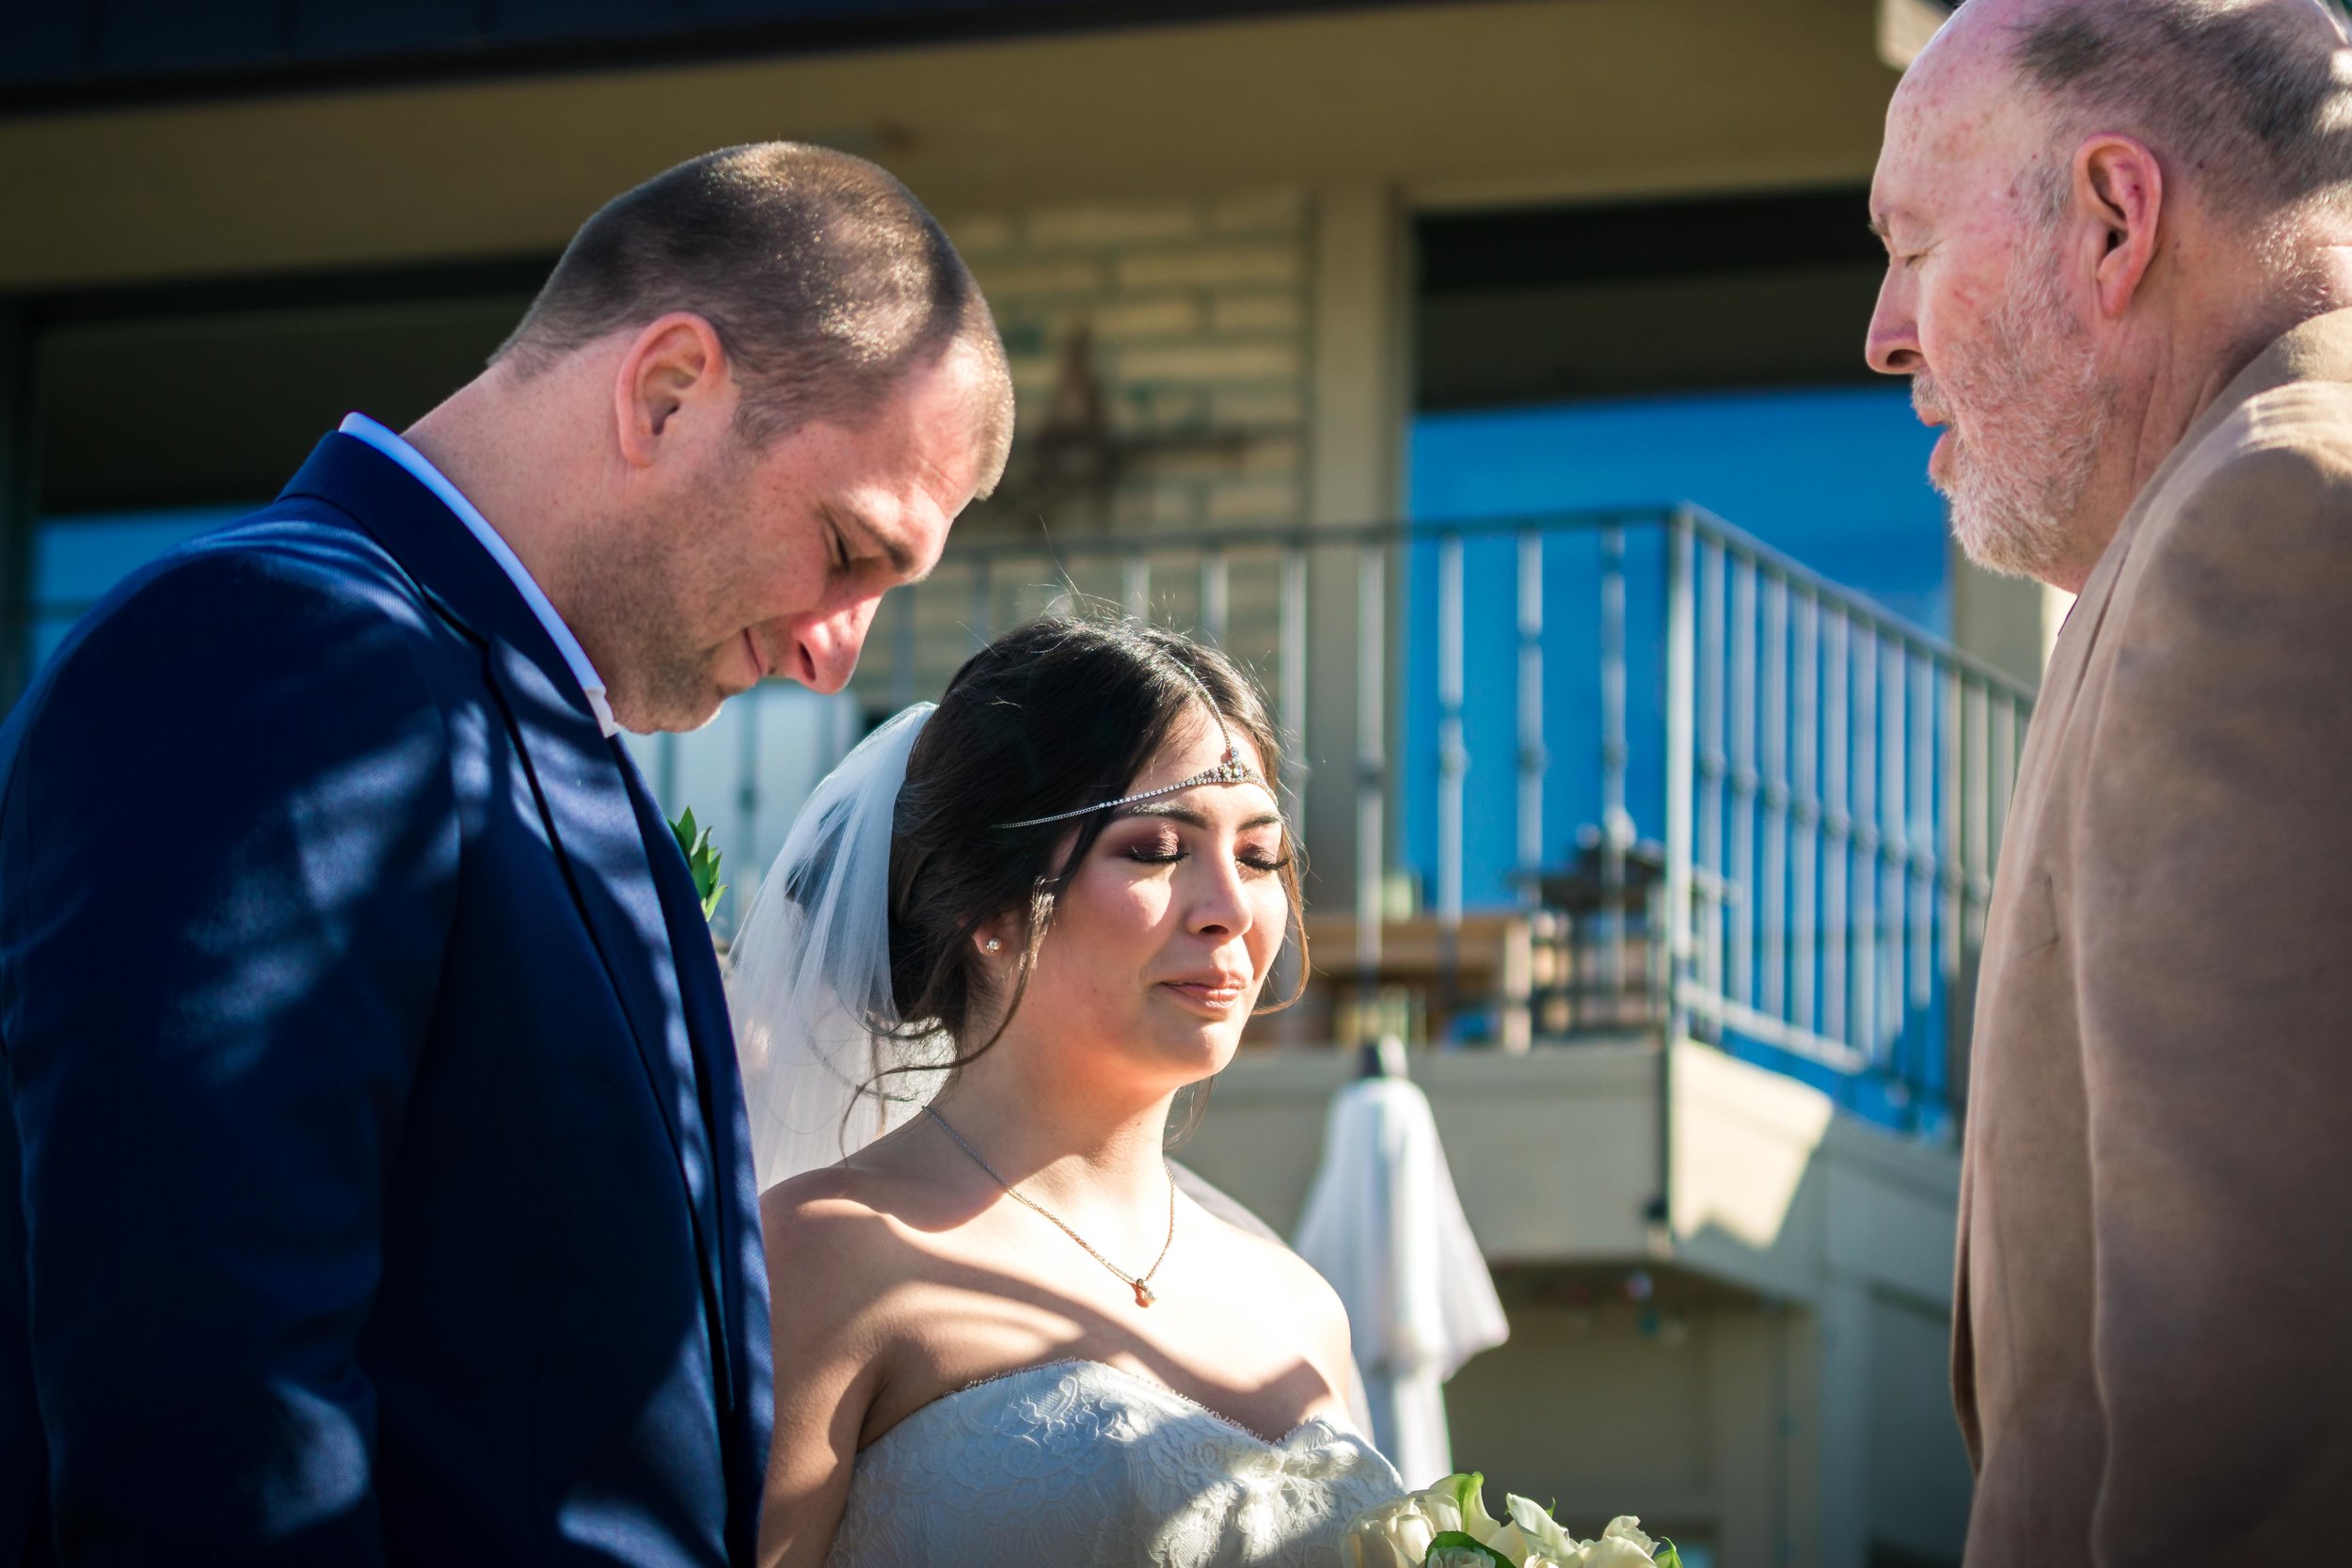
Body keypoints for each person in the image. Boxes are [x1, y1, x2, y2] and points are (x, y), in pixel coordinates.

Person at [0, 142, 1012, 1566]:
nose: (830, 650)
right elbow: (206, 1383)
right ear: (667, 391)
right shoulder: (281, 654)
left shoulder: (549, 740)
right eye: (848, 549)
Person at [1866, 1, 2352, 1560]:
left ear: (2112, 220)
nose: (1882, 333)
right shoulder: (2220, 515)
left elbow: (2264, 1408)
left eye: (1915, 248)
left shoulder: (2272, 516)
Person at [728, 617, 1405, 1567]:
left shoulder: (1304, 1305)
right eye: (1156, 848)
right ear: (992, 910)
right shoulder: (825, 1254)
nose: (1229, 909)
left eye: (1257, 856)